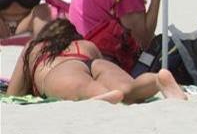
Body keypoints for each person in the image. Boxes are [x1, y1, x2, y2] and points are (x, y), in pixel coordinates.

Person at [7, 18, 185, 103]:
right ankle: (157, 80)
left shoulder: (34, 47)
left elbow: (13, 94)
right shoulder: (85, 44)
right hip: (94, 63)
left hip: (63, 70)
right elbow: (95, 70)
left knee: (86, 87)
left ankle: (101, 95)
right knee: (129, 87)